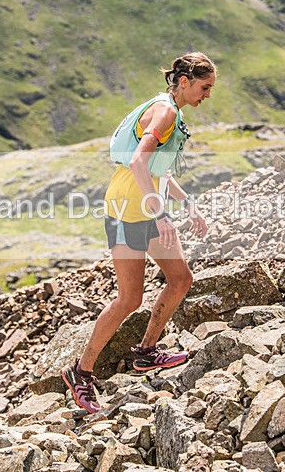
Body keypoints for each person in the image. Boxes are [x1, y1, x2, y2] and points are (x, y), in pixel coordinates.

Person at [61, 52, 214, 413]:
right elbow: (138, 162)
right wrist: (160, 214)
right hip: (128, 210)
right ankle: (79, 372)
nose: (208, 94)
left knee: (180, 278)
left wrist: (187, 203)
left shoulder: (166, 108)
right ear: (184, 82)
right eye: (205, 87)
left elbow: (158, 169)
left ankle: (146, 353)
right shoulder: (166, 112)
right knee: (129, 299)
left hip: (141, 206)